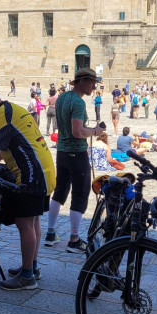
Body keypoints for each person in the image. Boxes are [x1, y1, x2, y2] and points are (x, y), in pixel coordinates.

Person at [0, 88, 56, 290]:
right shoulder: (14, 109)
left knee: (24, 223)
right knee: (33, 221)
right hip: (45, 172)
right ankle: (32, 267)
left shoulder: (2, 115)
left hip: (31, 176)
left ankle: (27, 277)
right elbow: (5, 149)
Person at [46, 68, 105, 253]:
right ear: (82, 82)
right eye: (91, 82)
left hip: (62, 152)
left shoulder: (63, 97)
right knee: (80, 194)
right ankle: (74, 239)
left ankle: (50, 232)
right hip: (76, 154)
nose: (93, 86)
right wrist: (96, 131)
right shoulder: (78, 103)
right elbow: (78, 131)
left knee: (60, 191)